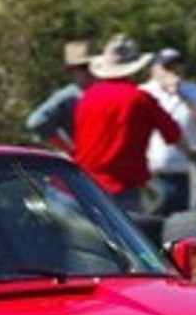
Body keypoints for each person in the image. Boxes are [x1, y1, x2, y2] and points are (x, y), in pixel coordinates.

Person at [72, 34, 181, 215]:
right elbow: (173, 135)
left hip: (85, 186)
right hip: (123, 188)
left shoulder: (87, 97)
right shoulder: (141, 99)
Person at [142, 48, 196, 214]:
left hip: (186, 175)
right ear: (154, 70)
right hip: (152, 176)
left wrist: (184, 97)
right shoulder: (144, 92)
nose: (173, 72)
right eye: (167, 67)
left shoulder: (195, 92)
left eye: (177, 66)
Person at [25, 41, 95, 155]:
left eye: (91, 65)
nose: (89, 71)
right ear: (73, 70)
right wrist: (71, 150)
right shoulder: (68, 97)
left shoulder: (104, 92)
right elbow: (36, 121)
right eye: (83, 67)